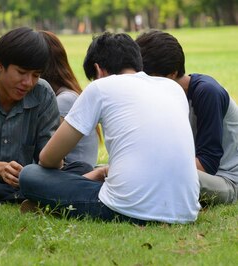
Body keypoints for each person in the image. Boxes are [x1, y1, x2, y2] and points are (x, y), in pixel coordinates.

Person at [18, 32, 200, 224]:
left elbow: (48, 158)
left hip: (127, 209)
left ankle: (51, 205)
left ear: (98, 70)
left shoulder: (101, 87)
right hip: (185, 211)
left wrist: (65, 176)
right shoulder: (172, 88)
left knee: (30, 175)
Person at [0, 27, 86, 204]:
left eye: (35, 75)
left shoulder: (43, 93)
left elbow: (48, 158)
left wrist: (56, 156)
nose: (28, 83)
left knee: (81, 169)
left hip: (24, 181)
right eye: (21, 73)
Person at [136, 29, 238, 205]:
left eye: (150, 78)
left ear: (172, 74)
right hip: (192, 174)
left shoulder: (207, 92)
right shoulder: (166, 97)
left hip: (226, 181)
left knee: (157, 173)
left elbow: (207, 164)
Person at [39, 30, 99, 167]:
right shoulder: (68, 94)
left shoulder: (64, 101)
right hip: (74, 173)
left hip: (76, 175)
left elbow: (48, 159)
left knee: (29, 174)